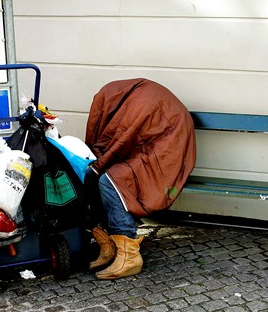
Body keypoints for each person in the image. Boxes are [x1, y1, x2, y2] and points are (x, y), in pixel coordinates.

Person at [84, 78, 196, 280]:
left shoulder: (137, 104)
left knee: (111, 181)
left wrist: (97, 166)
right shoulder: (132, 97)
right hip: (157, 147)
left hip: (169, 153)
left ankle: (129, 255)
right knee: (101, 177)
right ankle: (110, 245)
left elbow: (120, 142)